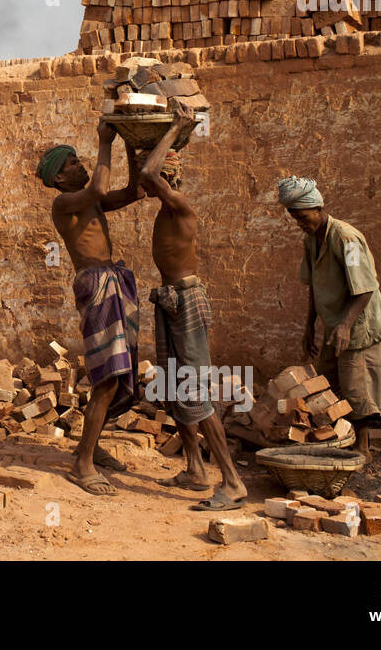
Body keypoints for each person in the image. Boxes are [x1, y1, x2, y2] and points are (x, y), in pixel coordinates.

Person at [137, 103, 247, 511]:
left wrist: (177, 128)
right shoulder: (165, 208)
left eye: (152, 172)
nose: (143, 177)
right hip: (171, 301)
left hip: (186, 302)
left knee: (195, 391)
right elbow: (142, 177)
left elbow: (147, 174)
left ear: (167, 177)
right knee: (173, 385)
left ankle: (232, 482)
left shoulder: (180, 205)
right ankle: (196, 470)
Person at [38, 120, 146, 496]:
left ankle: (92, 448)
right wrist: (106, 140)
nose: (78, 164)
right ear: (57, 180)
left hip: (111, 281)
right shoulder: (64, 203)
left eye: (76, 159)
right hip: (96, 284)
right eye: (69, 164)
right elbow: (100, 186)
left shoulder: (90, 200)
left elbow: (135, 191)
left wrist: (132, 145)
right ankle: (82, 463)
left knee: (116, 371)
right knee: (107, 376)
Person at [278, 175, 381, 457]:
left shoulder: (346, 239)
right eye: (296, 219)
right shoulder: (311, 240)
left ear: (317, 208)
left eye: (303, 217)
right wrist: (309, 328)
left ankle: (365, 448)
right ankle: (340, 439)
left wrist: (346, 326)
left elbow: (365, 289)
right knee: (327, 384)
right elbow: (315, 288)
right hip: (334, 323)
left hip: (358, 325)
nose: (301, 224)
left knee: (358, 386)